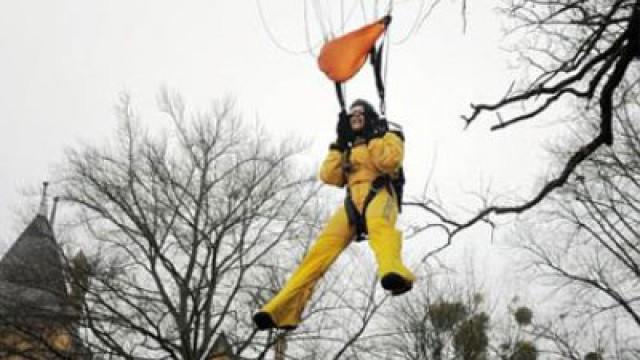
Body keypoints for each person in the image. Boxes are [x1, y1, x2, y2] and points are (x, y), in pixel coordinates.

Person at [253, 99, 415, 330]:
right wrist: (339, 144)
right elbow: (329, 176)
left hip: (380, 195)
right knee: (318, 253)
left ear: (369, 116)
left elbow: (389, 162)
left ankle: (397, 274)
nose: (355, 116)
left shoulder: (389, 137)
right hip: (352, 203)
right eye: (352, 115)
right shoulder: (348, 148)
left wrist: (374, 137)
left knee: (380, 227)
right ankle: (284, 310)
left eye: (360, 113)